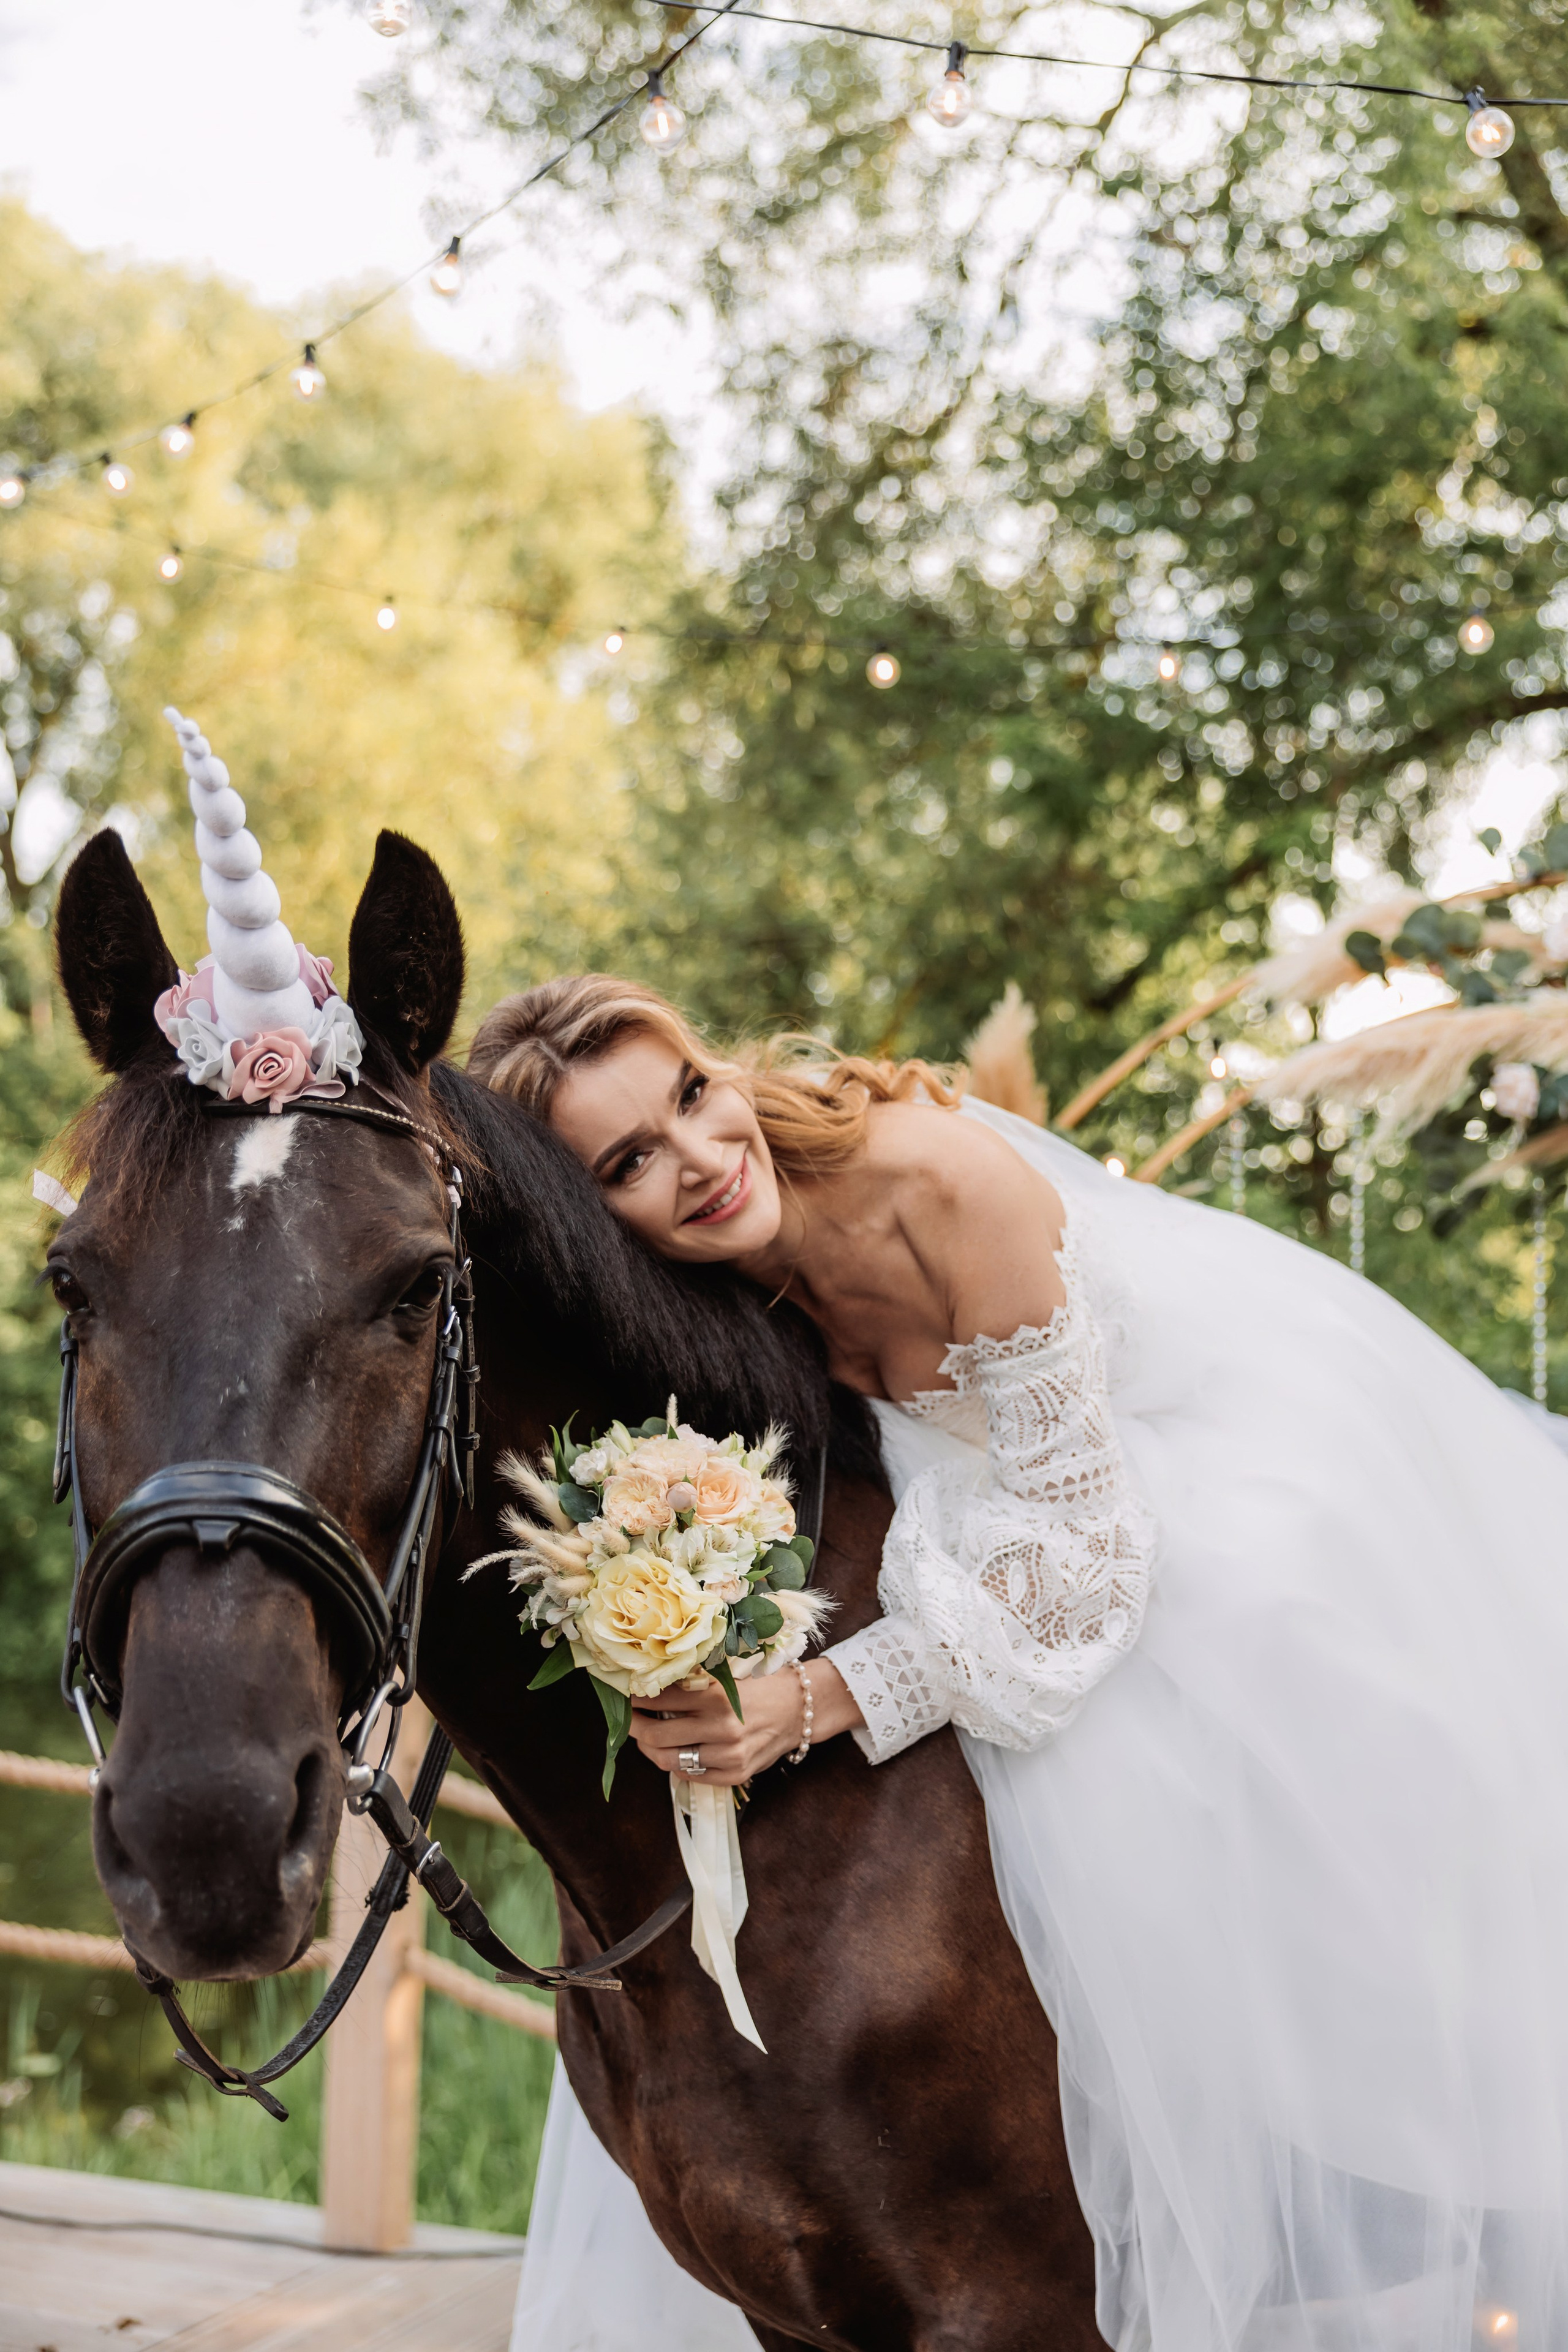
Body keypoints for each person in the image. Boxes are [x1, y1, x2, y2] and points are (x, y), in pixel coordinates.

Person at [471, 974, 1568, 2352]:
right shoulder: (696, 1301)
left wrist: (815, 1697)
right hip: (983, 1502)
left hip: (1181, 1478)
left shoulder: (931, 1180)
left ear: (719, 1069)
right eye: (628, 1162)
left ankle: (1370, 2127)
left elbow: (1090, 1545)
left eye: (692, 1093)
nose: (698, 1159)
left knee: (1192, 1724)